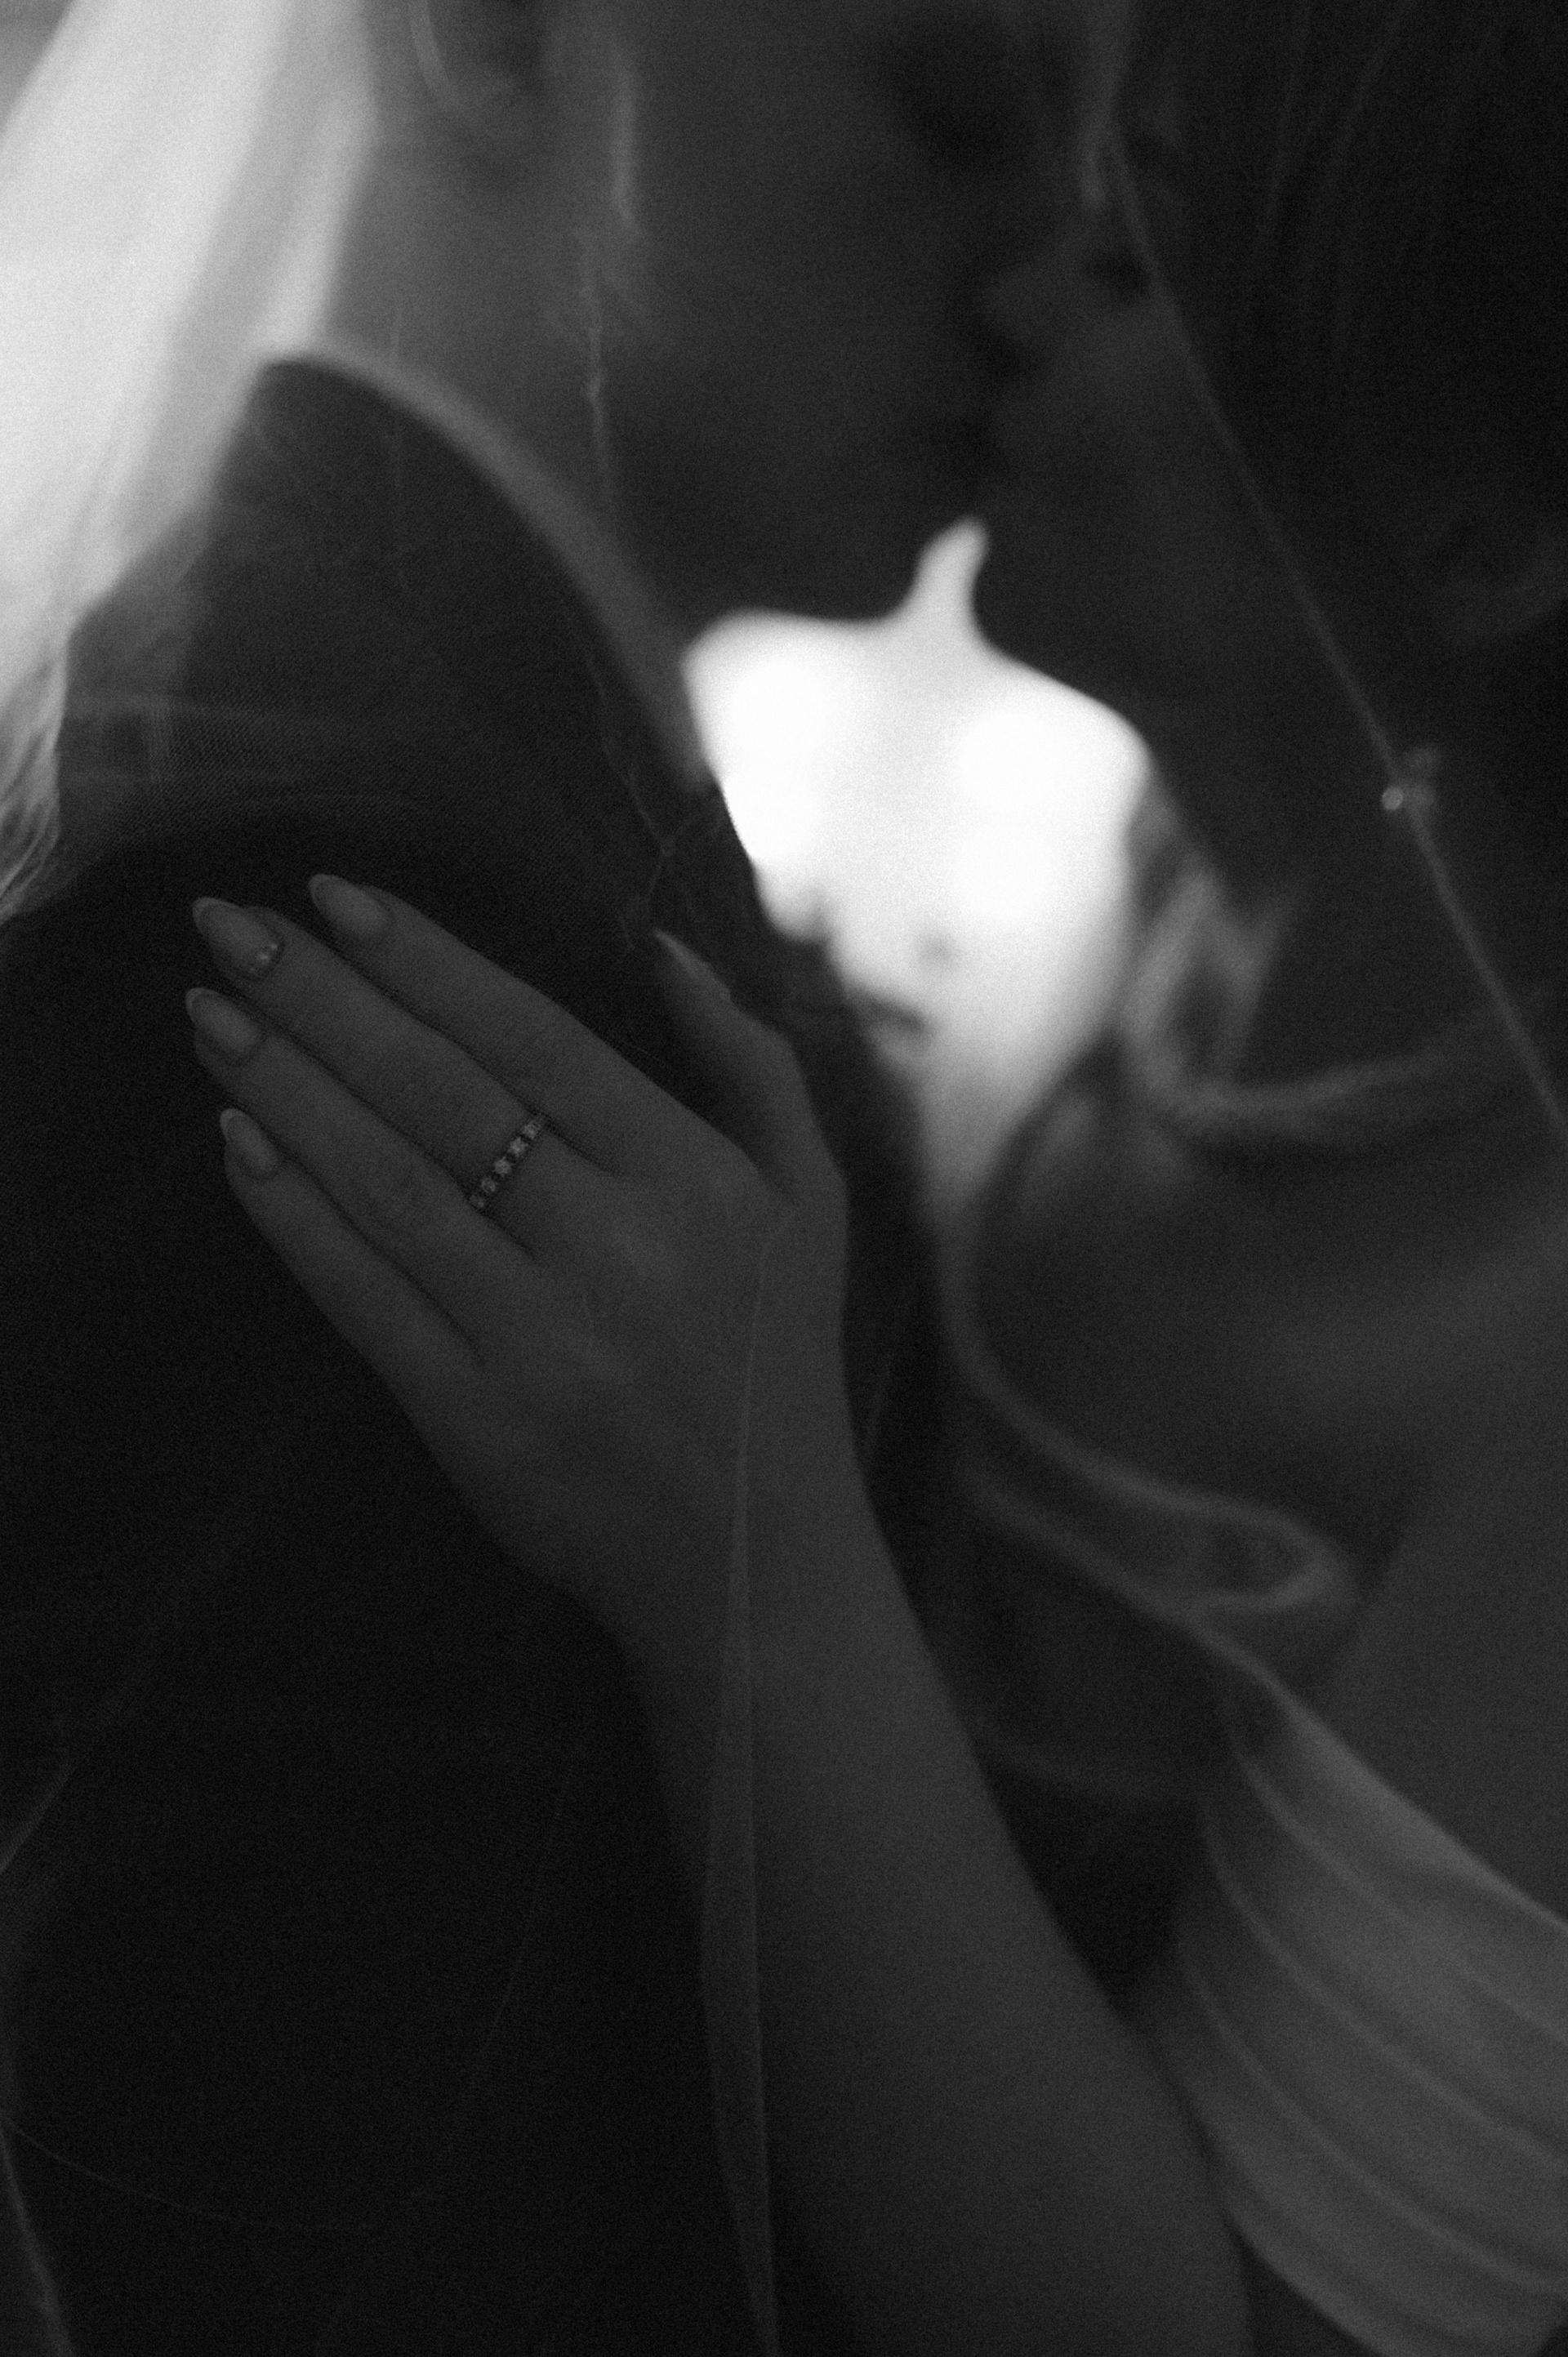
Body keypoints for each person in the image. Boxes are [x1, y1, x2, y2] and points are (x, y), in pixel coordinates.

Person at [188, 0, 1568, 2351]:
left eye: (1136, 263)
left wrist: (751, 1552)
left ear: (1487, 534)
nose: (1012, 286)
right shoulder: (1120, 914)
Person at [0, 2, 1131, 2351]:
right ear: (492, 29)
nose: (1045, 264)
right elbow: (296, 2171)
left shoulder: (428, 754)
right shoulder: (370, 923)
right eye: (954, 108)